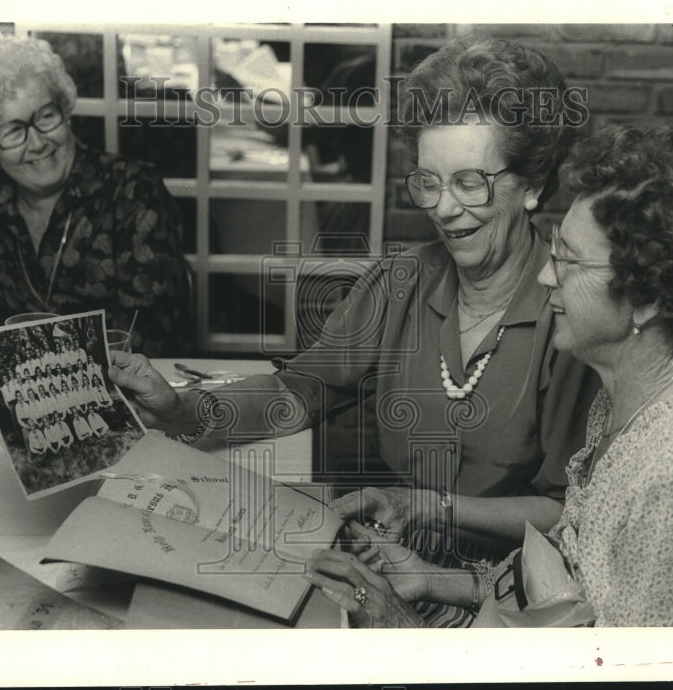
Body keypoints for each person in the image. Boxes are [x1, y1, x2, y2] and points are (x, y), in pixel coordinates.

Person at [110, 36, 600, 627]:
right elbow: (300, 391)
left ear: (532, 186)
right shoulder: (403, 281)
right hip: (390, 564)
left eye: (470, 184)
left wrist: (426, 508)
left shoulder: (572, 318)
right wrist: (183, 407)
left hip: (507, 602)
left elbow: (568, 514)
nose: (444, 209)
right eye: (428, 183)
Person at [305, 125, 673, 627]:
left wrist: (402, 625)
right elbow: (570, 588)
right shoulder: (626, 399)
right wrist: (430, 579)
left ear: (648, 296)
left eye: (568, 261)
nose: (545, 276)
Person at [0, 30, 191, 355]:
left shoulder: (133, 192)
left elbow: (147, 338)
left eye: (46, 116)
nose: (38, 142)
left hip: (125, 390)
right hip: (27, 393)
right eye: (14, 131)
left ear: (66, 112)